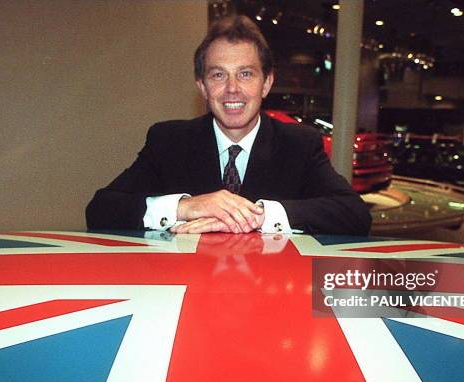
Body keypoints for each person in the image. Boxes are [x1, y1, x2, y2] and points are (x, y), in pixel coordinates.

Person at [86, 15, 371, 235]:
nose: (232, 89)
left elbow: (354, 214)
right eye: (218, 75)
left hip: (269, 293)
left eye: (245, 74)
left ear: (267, 83)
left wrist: (255, 216)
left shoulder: (299, 144)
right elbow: (100, 210)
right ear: (202, 86)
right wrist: (186, 207)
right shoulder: (169, 140)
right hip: (187, 294)